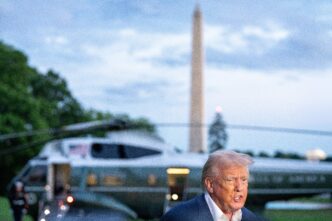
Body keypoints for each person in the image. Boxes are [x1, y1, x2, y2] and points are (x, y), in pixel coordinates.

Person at [160, 150, 264, 221]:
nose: (239, 187)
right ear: (210, 184)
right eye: (230, 180)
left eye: (244, 180)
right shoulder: (180, 217)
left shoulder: (251, 218)